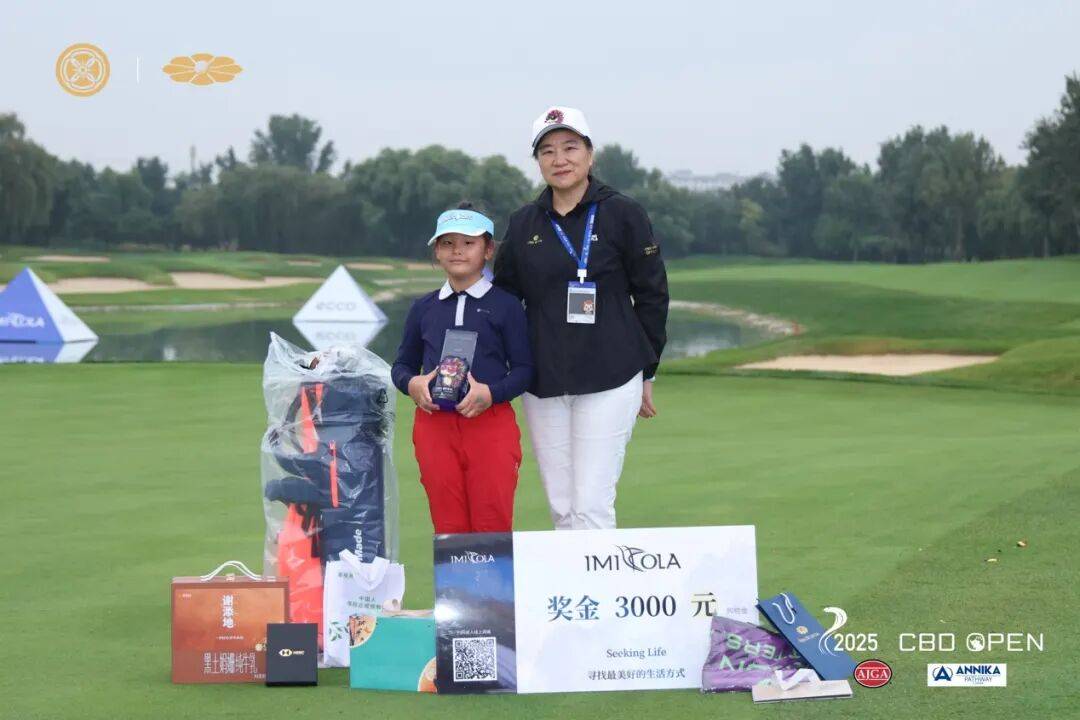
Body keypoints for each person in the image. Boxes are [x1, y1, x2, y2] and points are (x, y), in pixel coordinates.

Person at [494, 106, 669, 530]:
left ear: (590, 154)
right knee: (562, 507)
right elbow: (504, 301)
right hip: (543, 381)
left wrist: (647, 371)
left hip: (612, 374)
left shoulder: (623, 213)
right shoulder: (524, 223)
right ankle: (573, 579)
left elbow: (652, 295)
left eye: (570, 147)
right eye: (548, 151)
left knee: (591, 505)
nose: (560, 159)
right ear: (538, 161)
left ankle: (598, 578)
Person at [392, 203, 534, 534]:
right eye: (447, 243)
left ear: (488, 250)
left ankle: (492, 575)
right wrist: (412, 384)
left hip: (490, 422)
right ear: (436, 252)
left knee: (492, 524)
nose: (457, 250)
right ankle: (455, 574)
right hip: (434, 426)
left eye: (468, 243)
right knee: (448, 527)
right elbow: (402, 365)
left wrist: (492, 393)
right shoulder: (423, 308)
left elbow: (524, 370)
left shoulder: (506, 306)